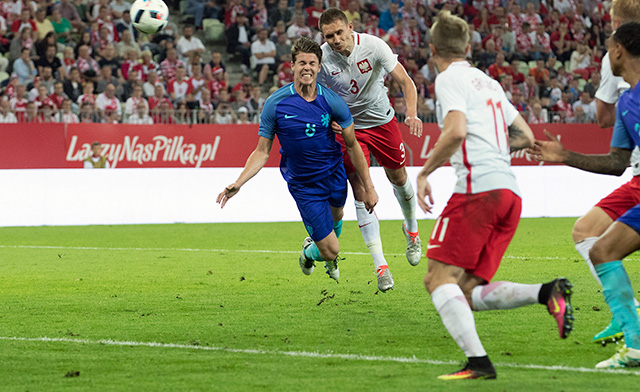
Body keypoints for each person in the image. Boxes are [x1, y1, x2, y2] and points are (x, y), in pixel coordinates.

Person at [416, 11, 573, 380]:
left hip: (477, 191)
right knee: (467, 291)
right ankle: (547, 292)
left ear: (432, 48)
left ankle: (479, 364)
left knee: (438, 279)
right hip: (509, 193)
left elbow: (455, 131)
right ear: (469, 47)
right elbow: (525, 136)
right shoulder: (488, 83)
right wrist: (496, 149)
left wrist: (424, 172)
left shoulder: (448, 79)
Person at [217, 36, 377, 282]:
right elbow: (261, 151)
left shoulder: (332, 101)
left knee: (338, 217)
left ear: (319, 67)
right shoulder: (276, 103)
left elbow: (353, 145)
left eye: (312, 63)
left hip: (334, 174)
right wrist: (239, 182)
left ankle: (321, 250)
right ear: (292, 65)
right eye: (302, 62)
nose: (307, 68)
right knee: (332, 249)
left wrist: (369, 187)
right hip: (304, 185)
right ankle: (308, 253)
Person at [534, 0, 640, 347]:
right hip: (637, 178)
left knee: (600, 247)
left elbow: (601, 116)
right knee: (592, 238)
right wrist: (564, 155)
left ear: (619, 49)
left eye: (609, 45)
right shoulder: (628, 103)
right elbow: (616, 162)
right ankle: (629, 321)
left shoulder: (620, 87)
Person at [317, 8, 422, 292]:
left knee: (398, 179)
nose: (336, 40)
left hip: (382, 121)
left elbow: (405, 81)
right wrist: (330, 124)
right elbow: (315, 99)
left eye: (340, 32)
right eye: (329, 36)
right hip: (349, 130)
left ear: (350, 27)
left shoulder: (374, 46)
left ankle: (411, 229)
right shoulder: (322, 60)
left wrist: (411, 113)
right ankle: (381, 267)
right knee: (362, 190)